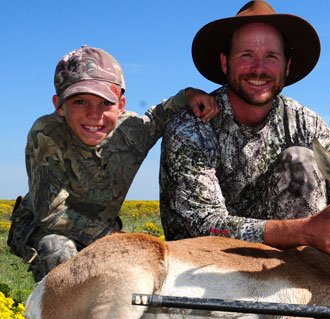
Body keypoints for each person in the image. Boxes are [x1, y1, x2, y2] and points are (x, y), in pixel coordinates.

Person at [160, 0, 330, 258]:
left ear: (286, 65)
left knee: (301, 159)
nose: (259, 68)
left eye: (271, 56)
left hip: (290, 274)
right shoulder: (191, 127)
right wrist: (305, 232)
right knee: (300, 161)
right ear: (225, 62)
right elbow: (204, 225)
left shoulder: (308, 125)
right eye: (246, 55)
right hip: (205, 271)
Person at [8, 45, 220, 282]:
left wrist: (189, 94)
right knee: (58, 251)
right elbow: (50, 215)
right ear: (59, 105)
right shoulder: (45, 134)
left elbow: (160, 115)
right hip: (44, 227)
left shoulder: (131, 131)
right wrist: (117, 239)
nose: (93, 114)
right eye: (79, 102)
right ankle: (50, 314)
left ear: (121, 104)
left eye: (105, 103)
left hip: (103, 230)